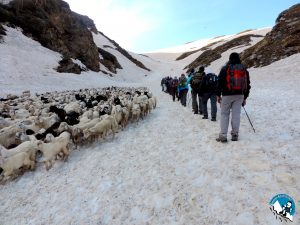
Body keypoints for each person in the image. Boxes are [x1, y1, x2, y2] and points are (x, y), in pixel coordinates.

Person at [216, 52, 251, 142]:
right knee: (236, 115)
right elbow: (248, 84)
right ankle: (235, 134)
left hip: (227, 95)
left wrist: (218, 95)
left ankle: (223, 135)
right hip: (239, 95)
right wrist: (245, 97)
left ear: (230, 59)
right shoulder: (244, 69)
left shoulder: (225, 68)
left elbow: (219, 83)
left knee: (224, 115)